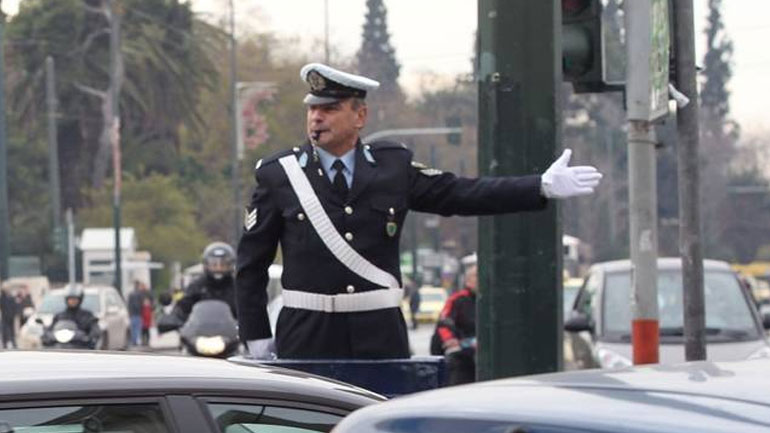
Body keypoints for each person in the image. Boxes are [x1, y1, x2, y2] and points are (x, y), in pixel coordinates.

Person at [236, 63, 602, 360]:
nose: (317, 117)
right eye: (313, 109)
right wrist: (256, 336)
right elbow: (251, 265)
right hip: (306, 333)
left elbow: (460, 194)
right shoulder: (279, 174)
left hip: (379, 333)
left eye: (330, 109)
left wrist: (539, 186)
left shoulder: (392, 167)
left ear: (360, 115)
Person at [169, 242, 237, 325]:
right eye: (214, 264)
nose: (218, 268)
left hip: (233, 331)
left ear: (231, 265)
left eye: (223, 265)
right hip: (200, 331)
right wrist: (174, 320)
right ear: (206, 265)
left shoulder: (238, 287)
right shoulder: (197, 285)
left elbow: (249, 308)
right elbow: (182, 308)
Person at [436, 264, 478, 385]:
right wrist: (450, 340)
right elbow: (444, 323)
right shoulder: (457, 299)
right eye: (475, 276)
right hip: (463, 353)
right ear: (468, 280)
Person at [127, 280, 150, 346]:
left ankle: (134, 341)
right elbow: (143, 303)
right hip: (139, 313)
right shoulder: (140, 294)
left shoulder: (131, 294)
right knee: (137, 328)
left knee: (133, 328)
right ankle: (136, 340)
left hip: (132, 313)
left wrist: (129, 312)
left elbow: (129, 304)